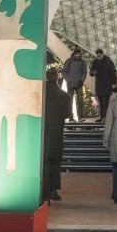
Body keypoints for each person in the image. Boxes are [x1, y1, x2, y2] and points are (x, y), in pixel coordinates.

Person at [42, 68, 71, 203]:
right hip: (57, 132)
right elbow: (66, 115)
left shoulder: (40, 94)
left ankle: (44, 192)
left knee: (44, 162)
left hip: (42, 131)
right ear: (57, 77)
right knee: (55, 162)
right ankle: (53, 190)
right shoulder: (64, 96)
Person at [89, 49, 117, 121]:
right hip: (99, 85)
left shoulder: (108, 62)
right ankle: (102, 117)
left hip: (107, 85)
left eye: (99, 56)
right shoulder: (95, 62)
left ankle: (106, 117)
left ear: (103, 54)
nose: (98, 57)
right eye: (97, 56)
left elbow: (113, 73)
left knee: (106, 103)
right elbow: (91, 72)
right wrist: (92, 72)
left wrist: (114, 83)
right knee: (101, 102)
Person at [62, 49, 87, 120]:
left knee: (80, 100)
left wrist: (81, 80)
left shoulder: (82, 62)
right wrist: (68, 80)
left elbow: (84, 72)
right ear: (74, 54)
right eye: (76, 54)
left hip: (79, 83)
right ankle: (70, 117)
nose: (78, 56)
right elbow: (64, 71)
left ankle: (81, 117)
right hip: (70, 83)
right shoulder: (69, 61)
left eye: (79, 54)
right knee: (70, 100)